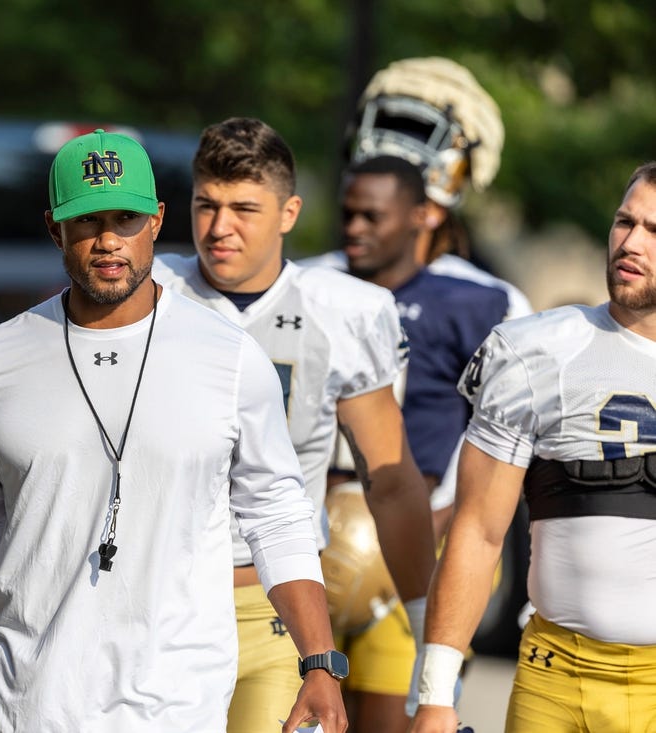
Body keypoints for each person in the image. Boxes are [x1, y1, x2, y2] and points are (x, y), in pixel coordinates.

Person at [0, 128, 348, 733]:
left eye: (126, 218)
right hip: (21, 705)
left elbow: (276, 512)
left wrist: (319, 663)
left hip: (174, 704)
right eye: (86, 221)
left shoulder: (229, 358)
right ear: (54, 229)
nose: (107, 241)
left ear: (157, 220)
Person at [152, 117, 436, 733]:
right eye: (207, 205)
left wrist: (427, 637)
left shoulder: (344, 311)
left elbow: (390, 482)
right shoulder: (150, 291)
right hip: (153, 603)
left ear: (289, 212)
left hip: (274, 607)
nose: (220, 227)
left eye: (244, 208)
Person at [410, 162, 656, 732]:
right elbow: (478, 530)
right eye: (625, 221)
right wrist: (435, 696)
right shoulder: (538, 351)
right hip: (557, 674)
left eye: (653, 230)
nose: (631, 241)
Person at [330, 154, 509, 732]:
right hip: (317, 533)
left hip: (420, 531)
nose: (354, 228)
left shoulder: (478, 301)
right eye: (348, 214)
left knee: (396, 716)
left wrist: (449, 514)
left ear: (423, 215)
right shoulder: (313, 285)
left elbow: (501, 428)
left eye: (371, 216)